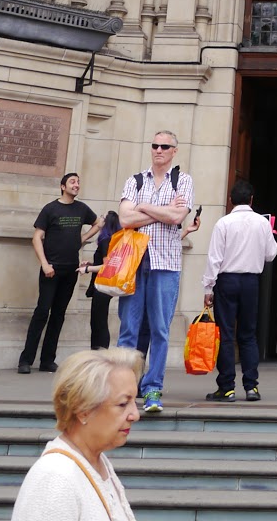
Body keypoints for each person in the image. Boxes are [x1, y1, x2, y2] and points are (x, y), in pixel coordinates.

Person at [11, 347, 143, 521]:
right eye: (123, 404)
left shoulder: (96, 461)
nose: (135, 415)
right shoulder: (55, 478)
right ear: (83, 410)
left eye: (134, 401)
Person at [116, 129, 195, 416]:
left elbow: (177, 216)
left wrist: (144, 207)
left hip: (166, 264)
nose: (159, 150)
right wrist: (162, 211)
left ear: (174, 151)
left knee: (160, 329)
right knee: (129, 328)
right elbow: (124, 218)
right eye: (155, 145)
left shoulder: (182, 181)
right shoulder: (135, 180)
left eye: (165, 146)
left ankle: (152, 388)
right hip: (134, 263)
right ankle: (123, 388)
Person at [203, 179, 277, 403]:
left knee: (226, 334)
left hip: (227, 281)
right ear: (251, 200)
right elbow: (271, 254)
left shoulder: (223, 223)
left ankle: (226, 388)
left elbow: (214, 258)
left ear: (230, 200)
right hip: (251, 282)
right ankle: (251, 386)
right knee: (248, 334)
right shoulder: (262, 223)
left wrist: (208, 287)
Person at [19, 172, 102, 374]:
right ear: (63, 186)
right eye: (72, 182)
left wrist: (82, 238)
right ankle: (26, 360)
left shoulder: (82, 208)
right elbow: (37, 238)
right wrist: (45, 264)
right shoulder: (50, 209)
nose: (76, 185)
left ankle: (47, 360)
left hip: (71, 269)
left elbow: (99, 223)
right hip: (51, 269)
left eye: (78, 182)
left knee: (58, 314)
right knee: (42, 312)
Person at [86, 211, 122, 350]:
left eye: (103, 218)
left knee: (98, 321)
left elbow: (107, 266)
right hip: (104, 285)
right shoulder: (113, 241)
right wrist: (90, 264)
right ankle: (98, 351)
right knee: (98, 320)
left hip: (102, 285)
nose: (99, 219)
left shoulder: (106, 241)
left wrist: (88, 269)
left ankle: (99, 352)